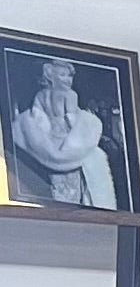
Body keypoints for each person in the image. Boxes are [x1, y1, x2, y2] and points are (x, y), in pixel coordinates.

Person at [10, 56, 118, 208]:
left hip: (49, 142)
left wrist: (45, 131)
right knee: (77, 181)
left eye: (69, 76)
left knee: (59, 189)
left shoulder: (41, 95)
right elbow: (72, 118)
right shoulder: (70, 95)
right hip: (66, 140)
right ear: (50, 76)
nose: (67, 80)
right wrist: (85, 125)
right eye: (62, 75)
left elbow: (37, 115)